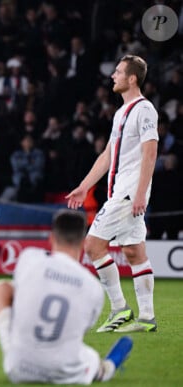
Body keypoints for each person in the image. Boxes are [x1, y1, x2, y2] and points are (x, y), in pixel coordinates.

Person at [66, 55, 158, 332]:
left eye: (118, 72)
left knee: (92, 246)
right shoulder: (121, 112)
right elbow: (107, 155)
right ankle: (147, 318)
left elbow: (151, 151)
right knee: (133, 251)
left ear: (132, 78)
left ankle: (120, 309)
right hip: (122, 190)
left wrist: (140, 194)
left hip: (130, 192)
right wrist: (85, 186)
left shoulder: (145, 109)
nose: (112, 76)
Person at [0, 209, 134, 384]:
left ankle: (12, 351)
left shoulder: (29, 258)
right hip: (66, 372)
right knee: (90, 357)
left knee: (3, 287)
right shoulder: (93, 287)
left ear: (51, 237)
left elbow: (20, 295)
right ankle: (107, 368)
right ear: (83, 243)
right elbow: (78, 329)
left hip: (18, 369)